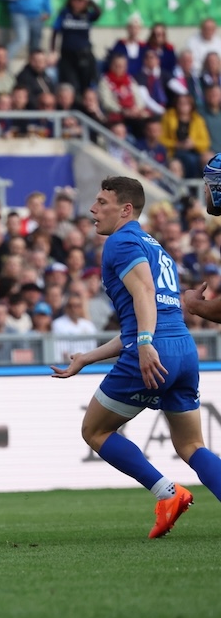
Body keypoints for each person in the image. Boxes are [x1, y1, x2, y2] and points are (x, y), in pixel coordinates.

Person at [52, 177, 221, 538]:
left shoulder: (121, 240)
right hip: (183, 350)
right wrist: (88, 358)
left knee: (94, 430)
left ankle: (168, 493)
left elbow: (144, 293)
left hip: (154, 349)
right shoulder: (155, 246)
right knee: (192, 445)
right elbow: (147, 312)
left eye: (101, 202)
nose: (93, 210)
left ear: (125, 209)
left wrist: (144, 343)